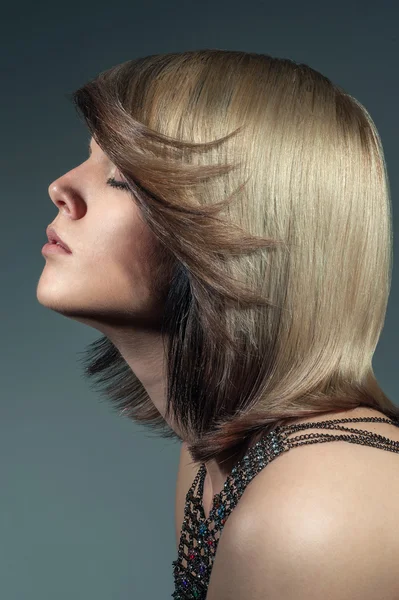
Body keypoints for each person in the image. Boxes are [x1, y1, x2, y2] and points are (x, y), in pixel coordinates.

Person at [37, 49, 399, 599]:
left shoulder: (318, 507)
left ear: (234, 237)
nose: (61, 187)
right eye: (91, 157)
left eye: (121, 180)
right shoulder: (217, 453)